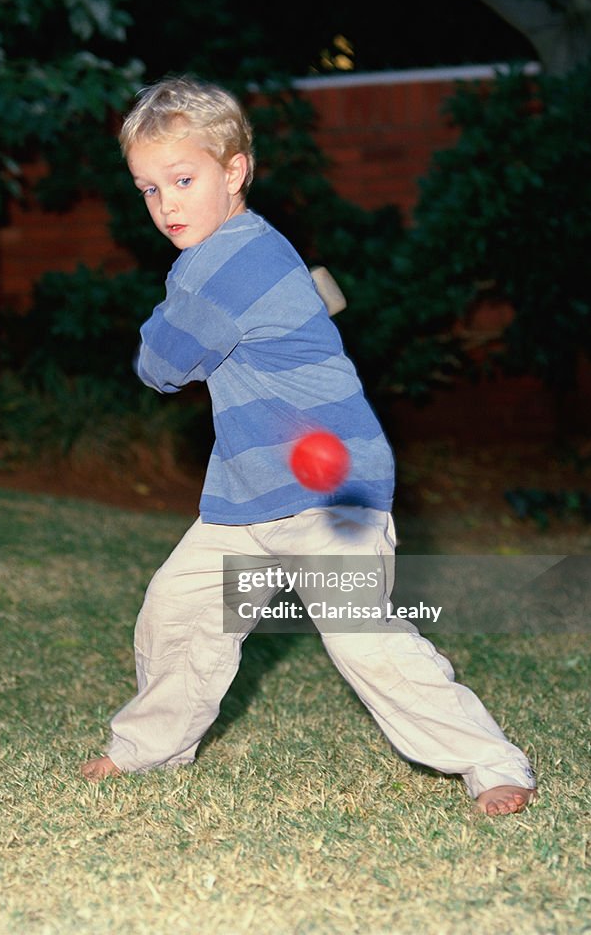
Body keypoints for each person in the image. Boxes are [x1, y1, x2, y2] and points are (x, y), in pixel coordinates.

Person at [80, 77, 537, 816]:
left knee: (364, 638)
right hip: (247, 493)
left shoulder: (219, 264)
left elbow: (159, 368)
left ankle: (490, 761)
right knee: (178, 614)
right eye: (147, 189)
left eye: (182, 179)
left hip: (327, 496)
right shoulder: (252, 250)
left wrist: (169, 321)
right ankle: (148, 748)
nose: (164, 204)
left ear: (234, 171)